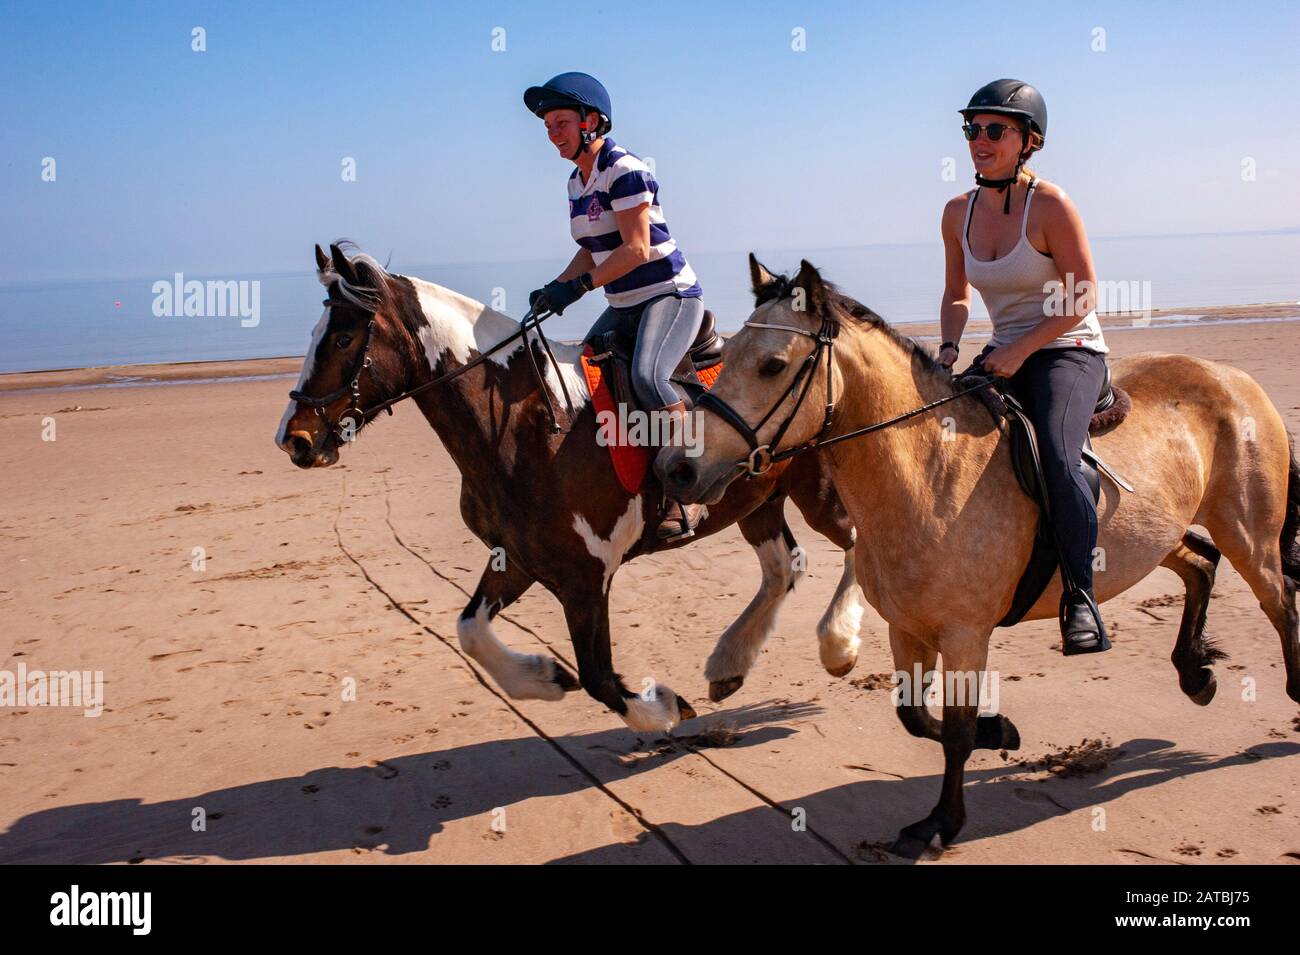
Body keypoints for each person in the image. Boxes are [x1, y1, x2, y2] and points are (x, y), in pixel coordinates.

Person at [938, 78, 1112, 654]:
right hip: (1001, 354)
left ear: (1028, 140)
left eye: (995, 130)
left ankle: (1080, 597)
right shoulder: (956, 212)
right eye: (972, 129)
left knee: (1059, 460)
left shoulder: (1052, 204)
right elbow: (957, 294)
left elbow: (1082, 294)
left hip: (1069, 348)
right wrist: (946, 349)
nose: (979, 139)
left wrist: (1020, 349)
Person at [523, 72, 707, 540]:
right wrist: (555, 287)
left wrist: (579, 287)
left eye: (560, 123)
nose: (552, 134)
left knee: (648, 376)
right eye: (547, 126)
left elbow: (636, 249)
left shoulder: (624, 169)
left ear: (592, 122)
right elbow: (594, 247)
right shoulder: (575, 182)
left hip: (668, 295)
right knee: (584, 371)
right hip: (625, 303)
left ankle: (688, 491)